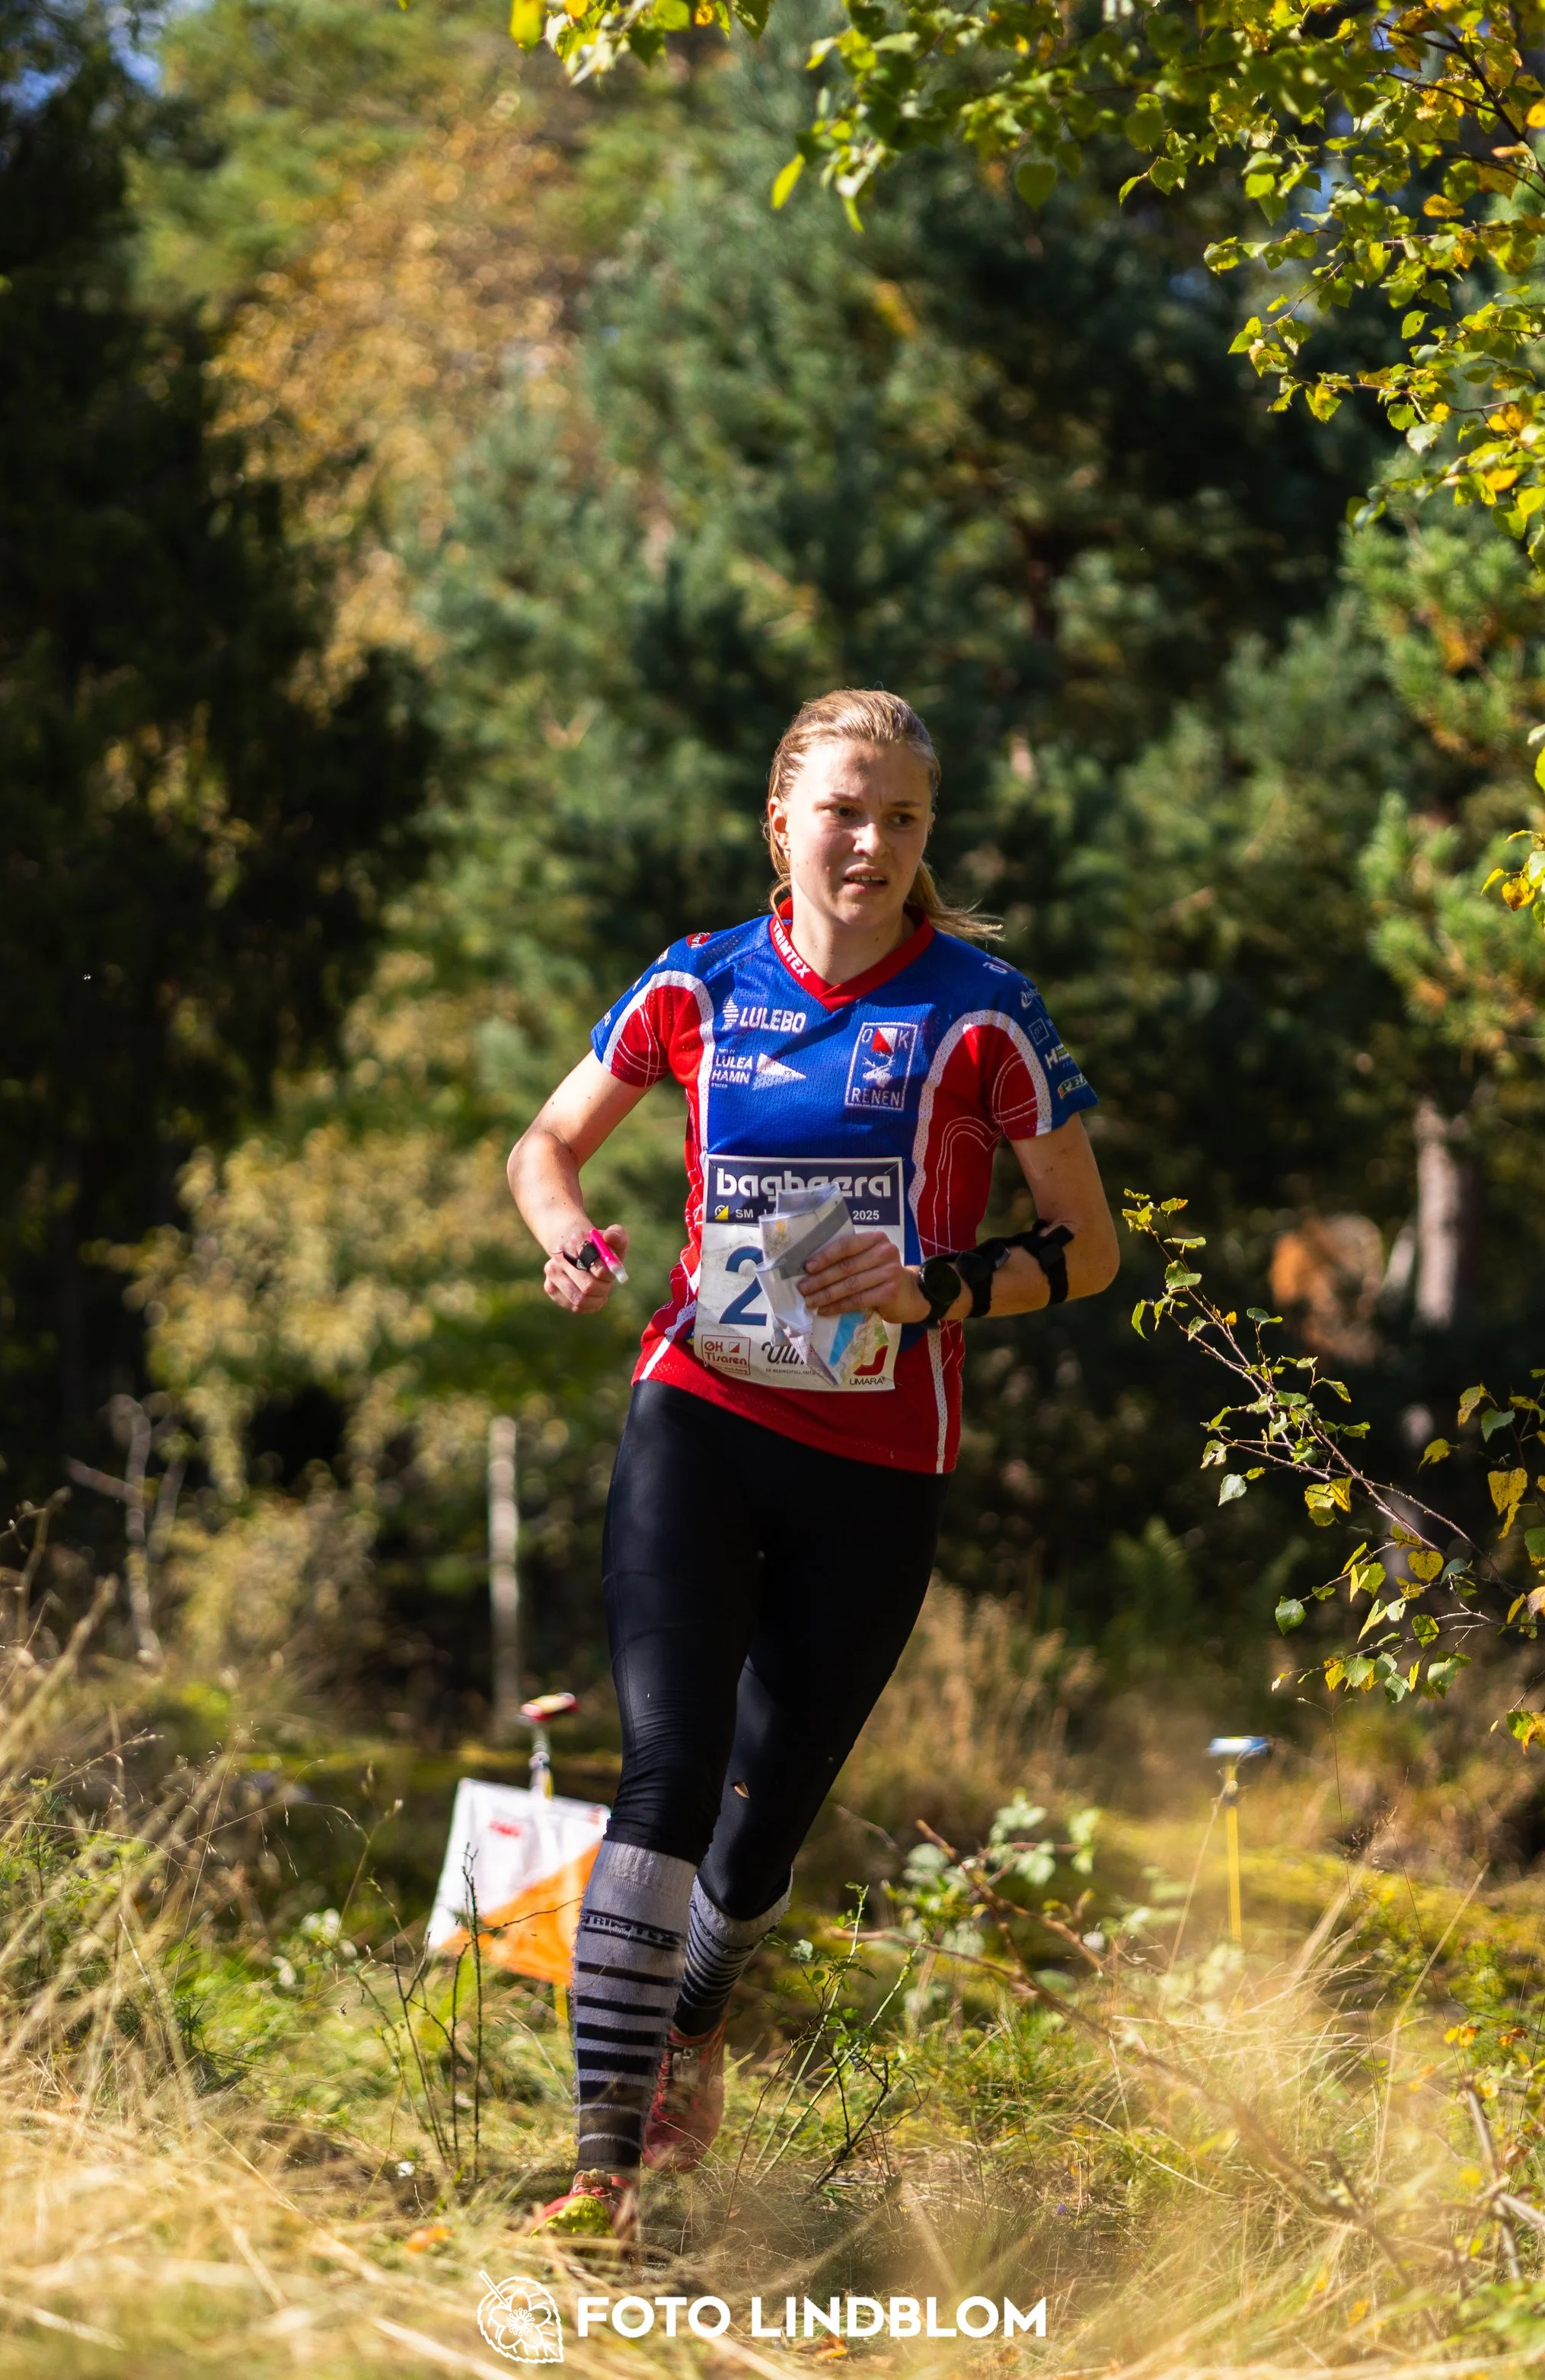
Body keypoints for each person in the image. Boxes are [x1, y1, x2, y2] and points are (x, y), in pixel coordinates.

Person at [506, 688, 1119, 2235]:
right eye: (842, 811)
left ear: (923, 840)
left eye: (900, 818)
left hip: (876, 1461)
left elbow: (1089, 1248)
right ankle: (602, 2166)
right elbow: (544, 1145)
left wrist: (940, 1286)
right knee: (659, 1768)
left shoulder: (978, 1007)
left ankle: (694, 2016)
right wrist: (566, 1238)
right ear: (779, 820)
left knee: (758, 1823)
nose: (870, 843)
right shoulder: (698, 979)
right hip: (696, 1411)